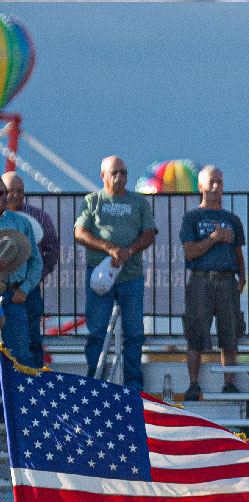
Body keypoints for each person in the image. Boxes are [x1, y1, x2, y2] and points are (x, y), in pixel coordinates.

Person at [73, 156, 156, 387]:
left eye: (124, 172)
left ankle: (133, 383)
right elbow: (80, 232)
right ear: (103, 175)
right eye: (115, 172)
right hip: (100, 275)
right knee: (97, 331)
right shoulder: (92, 201)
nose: (120, 176)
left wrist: (128, 250)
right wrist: (110, 248)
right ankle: (96, 379)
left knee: (134, 333)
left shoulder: (138, 202)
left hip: (131, 276)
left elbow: (149, 233)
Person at [178, 165, 245, 400]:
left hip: (227, 279)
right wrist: (213, 239)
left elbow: (238, 251)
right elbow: (190, 252)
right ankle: (193, 383)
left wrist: (242, 276)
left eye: (220, 181)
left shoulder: (232, 219)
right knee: (195, 333)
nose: (216, 186)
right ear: (201, 186)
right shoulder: (191, 218)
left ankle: (229, 382)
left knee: (230, 333)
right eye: (212, 181)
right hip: (200, 279)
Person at [1, 170, 58, 368]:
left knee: (25, 346)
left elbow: (43, 256)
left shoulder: (28, 220)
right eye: (8, 191)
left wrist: (27, 286)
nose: (12, 196)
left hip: (20, 292)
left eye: (19, 191)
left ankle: (30, 388)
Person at [0, 177, 40, 369]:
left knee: (21, 357)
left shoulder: (21, 223)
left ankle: (22, 399)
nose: (3, 197)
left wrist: (24, 289)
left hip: (13, 297)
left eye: (2, 193)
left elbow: (36, 261)